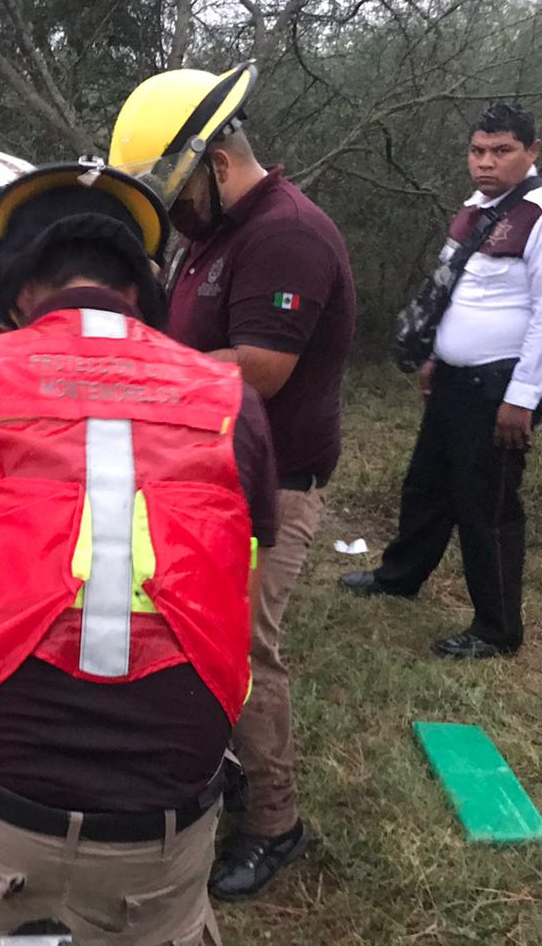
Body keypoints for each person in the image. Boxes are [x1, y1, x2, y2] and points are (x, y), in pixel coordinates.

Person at [0, 162, 280, 946]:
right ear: (141, 287)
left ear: (18, 292)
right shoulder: (238, 410)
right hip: (164, 833)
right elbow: (237, 621)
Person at [110, 63, 357, 899]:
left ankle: (276, 824)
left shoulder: (285, 233)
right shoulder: (211, 232)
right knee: (194, 627)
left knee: (248, 648)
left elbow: (259, 368)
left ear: (218, 163)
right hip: (209, 469)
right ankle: (222, 765)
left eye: (178, 193)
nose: (173, 213)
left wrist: (137, 375)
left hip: (275, 481)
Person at [340, 103, 542, 659]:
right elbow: (461, 292)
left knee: (488, 506)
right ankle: (399, 577)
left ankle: (496, 630)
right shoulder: (477, 208)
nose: (486, 162)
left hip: (501, 386)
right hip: (455, 377)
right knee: (426, 487)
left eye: (501, 151)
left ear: (532, 152)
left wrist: (521, 400)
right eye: (478, 151)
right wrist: (434, 355)